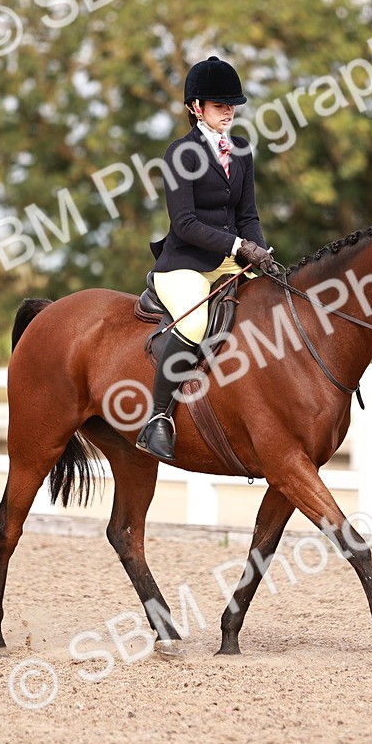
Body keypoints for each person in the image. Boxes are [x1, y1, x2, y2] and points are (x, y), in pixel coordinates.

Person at [137, 56, 279, 461]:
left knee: (273, 302)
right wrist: (237, 247)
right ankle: (157, 418)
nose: (228, 112)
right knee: (196, 322)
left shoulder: (242, 151)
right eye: (220, 105)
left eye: (231, 105)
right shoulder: (179, 154)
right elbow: (183, 223)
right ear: (196, 108)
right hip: (184, 262)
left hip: (232, 257)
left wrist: (261, 252)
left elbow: (247, 215)